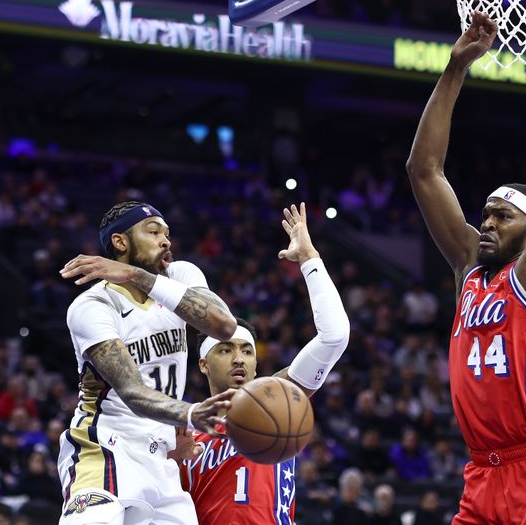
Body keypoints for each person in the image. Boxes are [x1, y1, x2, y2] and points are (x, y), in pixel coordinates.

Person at [406, 11, 526, 524]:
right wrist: (455, 69)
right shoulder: (469, 267)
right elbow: (423, 170)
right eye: (485, 212)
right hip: (481, 474)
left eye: (502, 216)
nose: (486, 222)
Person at [57, 200, 238, 525]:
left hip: (162, 458)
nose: (165, 241)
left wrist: (137, 275)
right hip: (105, 448)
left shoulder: (179, 275)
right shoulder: (93, 305)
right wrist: (191, 414)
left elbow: (223, 326)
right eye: (153, 232)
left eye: (167, 233)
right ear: (120, 241)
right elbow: (132, 391)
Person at [178, 203, 350, 524]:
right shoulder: (182, 427)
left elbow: (335, 336)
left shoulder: (278, 399)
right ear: (203, 363)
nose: (239, 358)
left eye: (247, 350)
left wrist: (309, 259)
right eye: (226, 350)